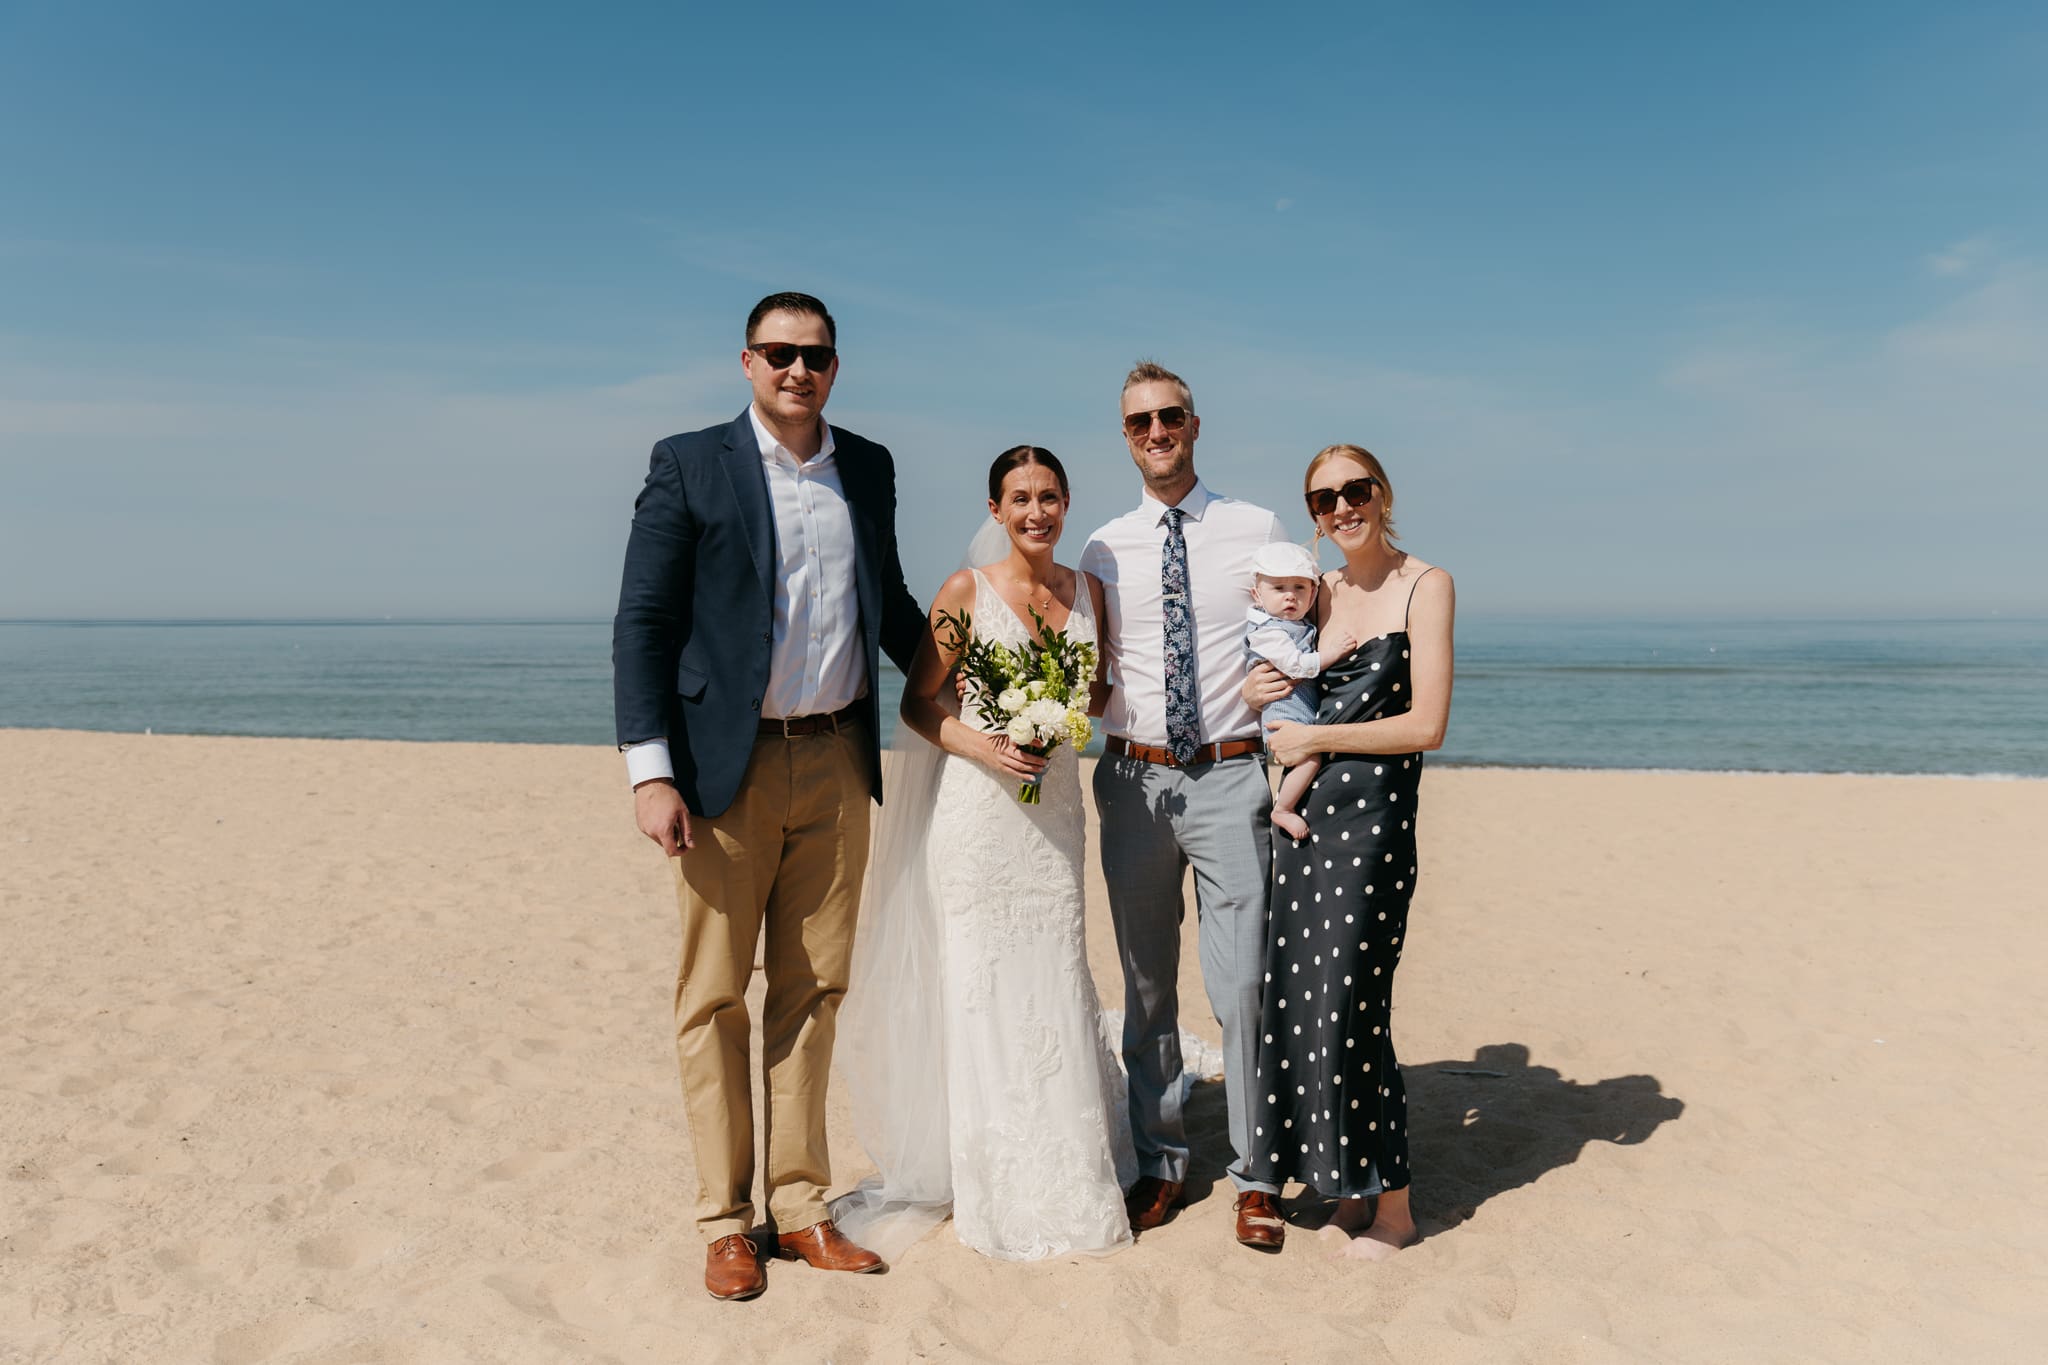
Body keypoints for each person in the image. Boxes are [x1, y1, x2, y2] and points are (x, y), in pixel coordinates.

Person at [611, 291, 925, 1301]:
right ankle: (724, 1222)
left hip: (835, 759)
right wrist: (650, 770)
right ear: (745, 361)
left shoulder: (865, 467)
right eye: (779, 353)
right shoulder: (688, 463)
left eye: (816, 356)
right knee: (711, 998)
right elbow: (643, 624)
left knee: (812, 992)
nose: (798, 371)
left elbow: (893, 608)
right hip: (719, 775)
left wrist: (994, 693)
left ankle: (798, 1209)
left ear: (836, 367)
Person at [834, 446, 1136, 1261]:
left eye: (1049, 496)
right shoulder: (966, 593)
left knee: (1055, 971)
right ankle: (991, 1177)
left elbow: (1101, 694)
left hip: (1056, 818)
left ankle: (1072, 1165)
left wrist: (1070, 713)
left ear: (1066, 503)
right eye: (1019, 498)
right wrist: (989, 745)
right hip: (979, 819)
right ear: (996, 510)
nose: (1036, 511)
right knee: (983, 986)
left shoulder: (1088, 592)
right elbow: (918, 701)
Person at [1077, 362, 1293, 1251]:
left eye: (1170, 417)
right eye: (1139, 423)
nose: (1157, 432)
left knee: (1243, 984)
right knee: (1147, 984)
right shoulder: (1100, 547)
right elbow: (1087, 675)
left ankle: (1256, 1172)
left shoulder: (1258, 527)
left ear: (1195, 425)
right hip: (1134, 781)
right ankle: (1161, 1162)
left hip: (1236, 776)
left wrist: (1285, 686)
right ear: (1124, 437)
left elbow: (1298, 628)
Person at [1242, 443, 1456, 1259]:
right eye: (1322, 500)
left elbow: (1425, 725)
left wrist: (1316, 734)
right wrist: (1257, 692)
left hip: (1372, 826)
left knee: (1355, 1010)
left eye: (1354, 490)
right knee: (1303, 1010)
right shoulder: (1317, 592)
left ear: (1382, 491)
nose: (1341, 508)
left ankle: (1395, 1208)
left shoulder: (1425, 585)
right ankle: (1349, 1191)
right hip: (1305, 826)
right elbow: (1278, 684)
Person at [1244, 541, 1358, 841]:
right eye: (1279, 588)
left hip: (1301, 712)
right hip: (1284, 716)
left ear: (1313, 595)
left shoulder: (1296, 625)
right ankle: (1282, 807)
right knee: (1311, 760)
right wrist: (1331, 653)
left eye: (1299, 588)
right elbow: (1295, 666)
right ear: (1257, 595)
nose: (1290, 596)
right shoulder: (1268, 631)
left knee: (1314, 759)